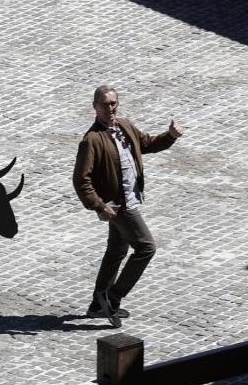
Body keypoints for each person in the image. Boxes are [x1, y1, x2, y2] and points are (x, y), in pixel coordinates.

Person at [72, 85, 183, 326]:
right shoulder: (92, 140)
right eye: (104, 104)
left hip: (130, 199)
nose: (110, 108)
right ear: (95, 107)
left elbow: (145, 144)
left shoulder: (124, 125)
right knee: (146, 248)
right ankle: (112, 298)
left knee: (116, 252)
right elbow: (81, 180)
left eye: (113, 103)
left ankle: (96, 305)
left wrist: (170, 136)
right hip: (119, 206)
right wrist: (99, 206)